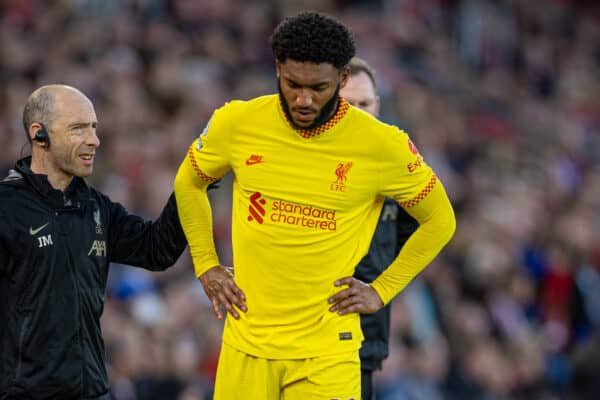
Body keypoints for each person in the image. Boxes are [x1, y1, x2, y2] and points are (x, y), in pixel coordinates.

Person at [174, 11, 456, 400]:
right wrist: (205, 263)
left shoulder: (382, 145)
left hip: (326, 351)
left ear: (342, 79)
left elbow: (440, 219)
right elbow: (188, 181)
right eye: (292, 84)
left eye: (318, 87)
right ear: (277, 69)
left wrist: (382, 290)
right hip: (246, 344)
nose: (303, 99)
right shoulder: (236, 122)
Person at [0, 84, 188, 400]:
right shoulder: (6, 208)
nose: (94, 140)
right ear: (39, 134)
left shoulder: (97, 208)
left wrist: (192, 183)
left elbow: (157, 250)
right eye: (78, 129)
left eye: (94, 128)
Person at [340, 57, 420, 400]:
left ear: (378, 106)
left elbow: (414, 233)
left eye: (364, 104)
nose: (357, 112)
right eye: (347, 104)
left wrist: (385, 288)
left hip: (370, 339)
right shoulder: (309, 163)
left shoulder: (396, 163)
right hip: (321, 338)